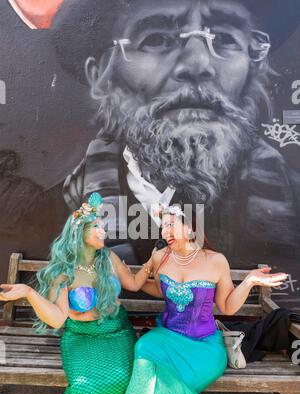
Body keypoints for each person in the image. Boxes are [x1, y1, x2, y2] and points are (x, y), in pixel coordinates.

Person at [51, 0, 300, 266]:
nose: (198, 64)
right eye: (156, 39)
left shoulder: (293, 199)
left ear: (253, 68)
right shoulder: (43, 214)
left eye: (226, 39)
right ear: (101, 75)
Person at [106, 203, 288, 394]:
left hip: (204, 348)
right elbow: (160, 289)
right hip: (166, 338)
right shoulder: (161, 257)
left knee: (154, 387)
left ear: (190, 228)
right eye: (162, 228)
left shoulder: (215, 261)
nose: (164, 233)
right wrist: (137, 274)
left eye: (170, 225)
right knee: (144, 348)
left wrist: (250, 281)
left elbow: (227, 307)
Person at [0, 192, 155, 394]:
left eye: (103, 226)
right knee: (85, 388)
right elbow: (58, 318)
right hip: (81, 337)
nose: (104, 231)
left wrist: (152, 263)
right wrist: (29, 294)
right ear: (78, 232)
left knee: (121, 380)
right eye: (97, 227)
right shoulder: (63, 272)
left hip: (116, 333)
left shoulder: (110, 259)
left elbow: (134, 283)